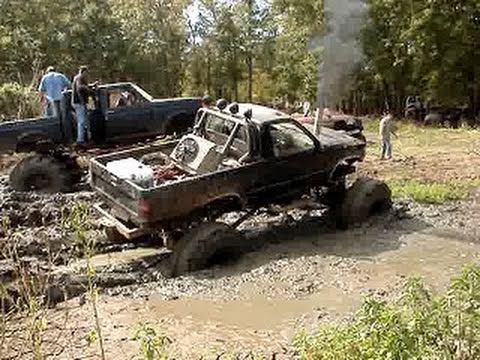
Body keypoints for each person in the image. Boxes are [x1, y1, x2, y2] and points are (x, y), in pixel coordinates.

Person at [72, 66, 97, 145]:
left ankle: (87, 138)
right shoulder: (79, 78)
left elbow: (83, 86)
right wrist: (89, 89)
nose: (87, 75)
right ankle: (80, 140)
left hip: (80, 102)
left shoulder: (78, 78)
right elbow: (80, 87)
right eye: (86, 73)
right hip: (79, 102)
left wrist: (91, 85)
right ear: (83, 72)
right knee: (81, 121)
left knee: (86, 121)